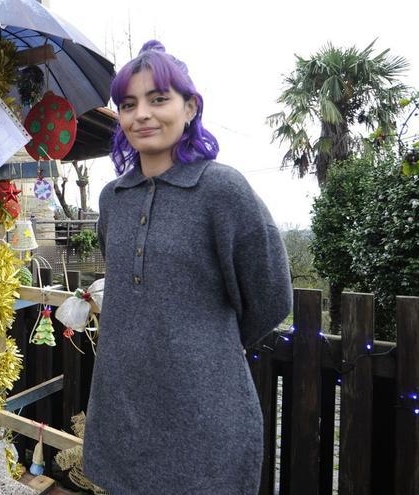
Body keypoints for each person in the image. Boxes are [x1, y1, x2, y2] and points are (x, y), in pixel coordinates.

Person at [84, 41, 292, 494]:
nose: (142, 114)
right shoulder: (112, 200)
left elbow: (272, 294)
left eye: (159, 99)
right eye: (128, 104)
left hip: (206, 413)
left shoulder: (223, 191)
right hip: (123, 408)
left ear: (190, 107)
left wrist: (203, 348)